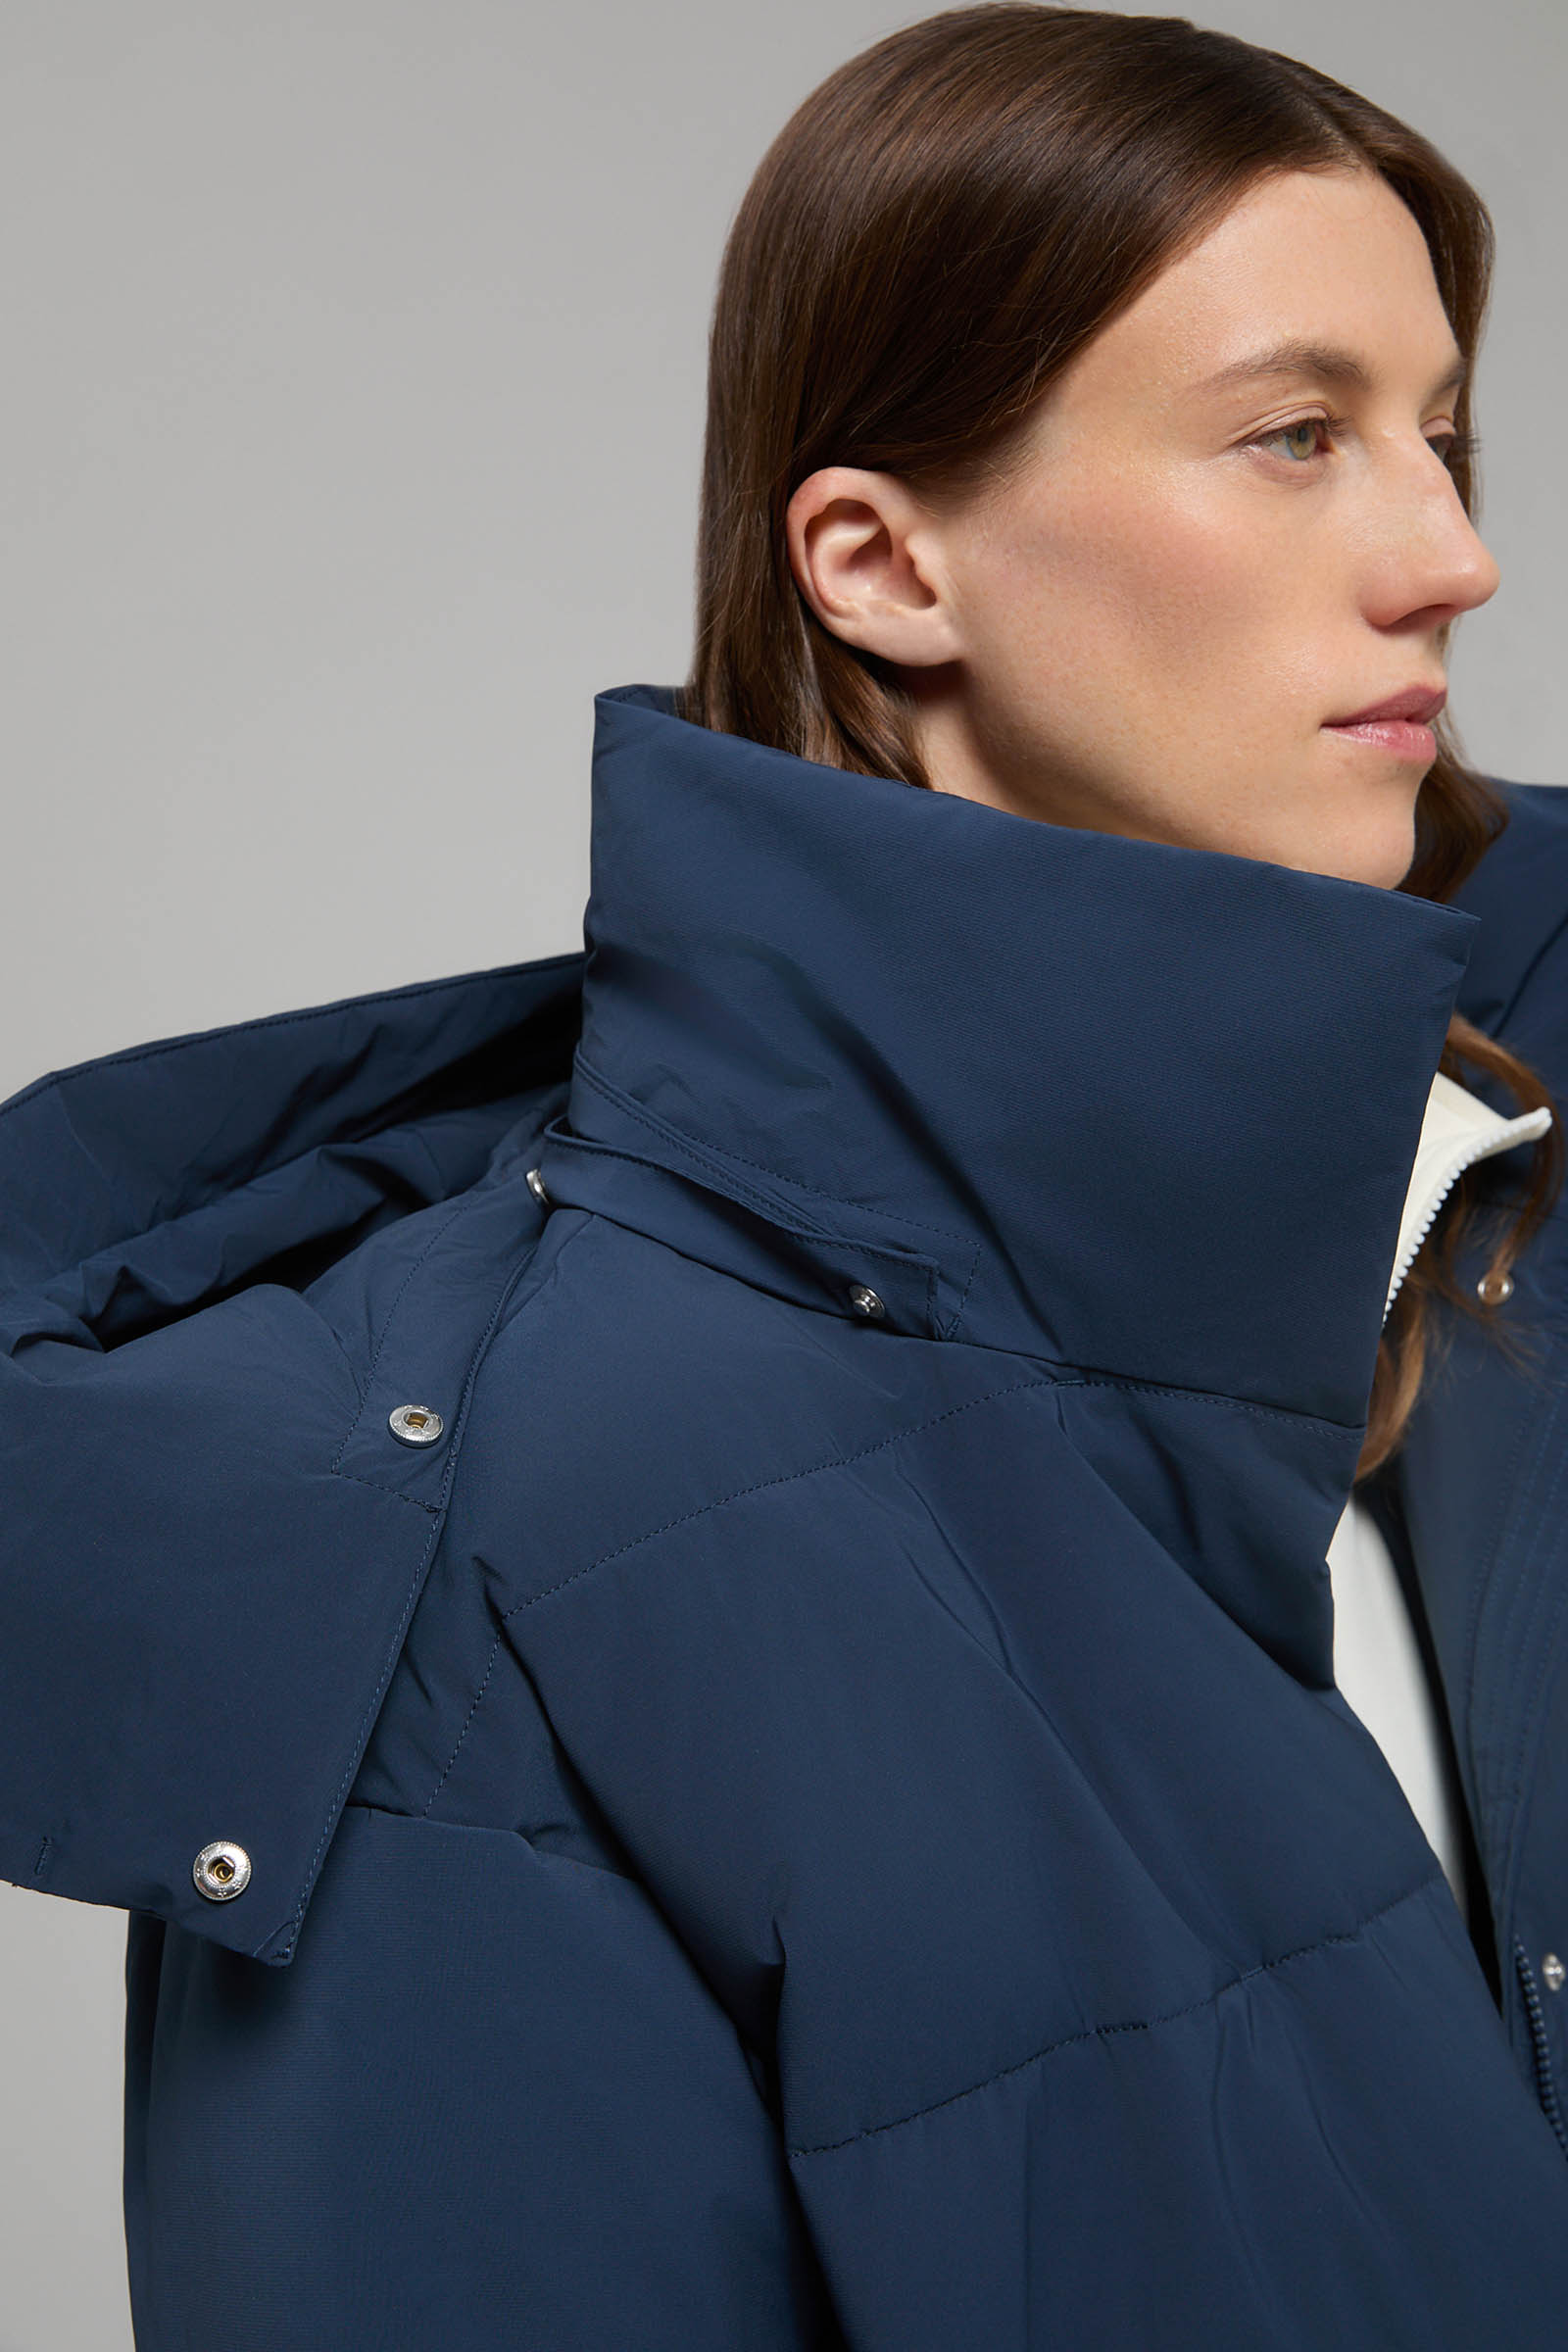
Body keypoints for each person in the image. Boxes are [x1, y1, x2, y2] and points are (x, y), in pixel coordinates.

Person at [3, 5, 1566, 2343]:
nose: (1448, 557)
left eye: (1437, 437)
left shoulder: (1482, 1229)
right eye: (1290, 435)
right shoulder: (501, 1550)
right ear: (878, 562)